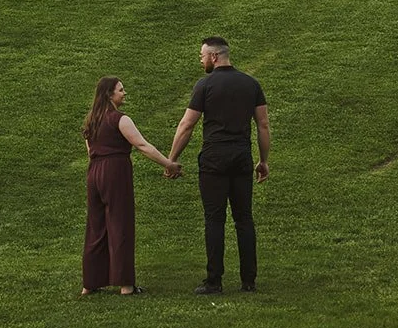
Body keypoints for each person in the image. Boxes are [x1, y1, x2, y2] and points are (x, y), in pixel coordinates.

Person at [165, 37, 270, 294]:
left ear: (214, 56)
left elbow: (187, 125)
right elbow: (263, 125)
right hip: (241, 157)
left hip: (214, 159)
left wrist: (172, 159)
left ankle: (214, 280)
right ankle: (249, 280)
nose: (201, 60)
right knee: (244, 218)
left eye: (202, 56)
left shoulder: (205, 85)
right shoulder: (251, 84)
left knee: (214, 219)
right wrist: (263, 160)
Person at [82, 75, 179, 296]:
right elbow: (142, 145)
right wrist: (169, 164)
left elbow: (90, 152)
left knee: (96, 227)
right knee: (120, 224)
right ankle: (125, 284)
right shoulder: (120, 119)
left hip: (94, 172)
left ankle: (90, 283)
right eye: (121, 90)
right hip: (115, 171)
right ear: (110, 95)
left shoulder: (91, 121)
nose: (124, 93)